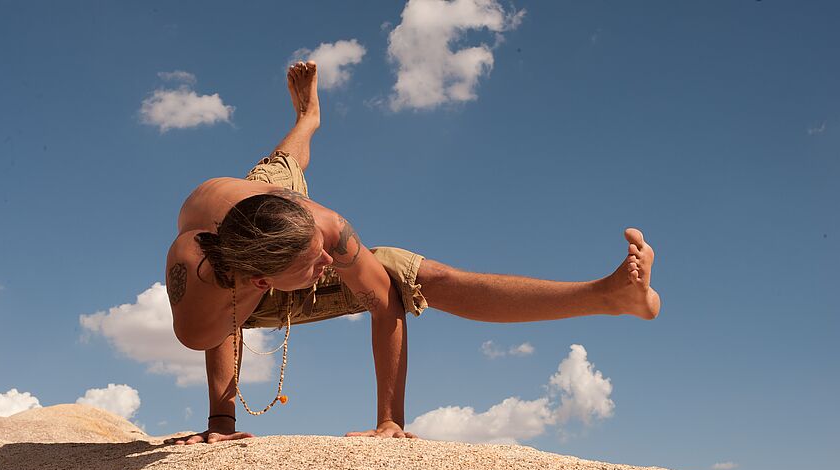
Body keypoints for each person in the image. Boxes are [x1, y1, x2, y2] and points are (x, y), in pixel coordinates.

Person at [164, 61, 661, 445]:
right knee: (281, 189)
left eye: (324, 256)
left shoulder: (328, 230)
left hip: (269, 208)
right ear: (260, 282)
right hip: (240, 247)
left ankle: (609, 294)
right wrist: (220, 422)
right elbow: (214, 328)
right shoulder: (200, 269)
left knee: (298, 174)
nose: (327, 268)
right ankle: (306, 121)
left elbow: (383, 297)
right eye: (315, 267)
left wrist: (389, 421)